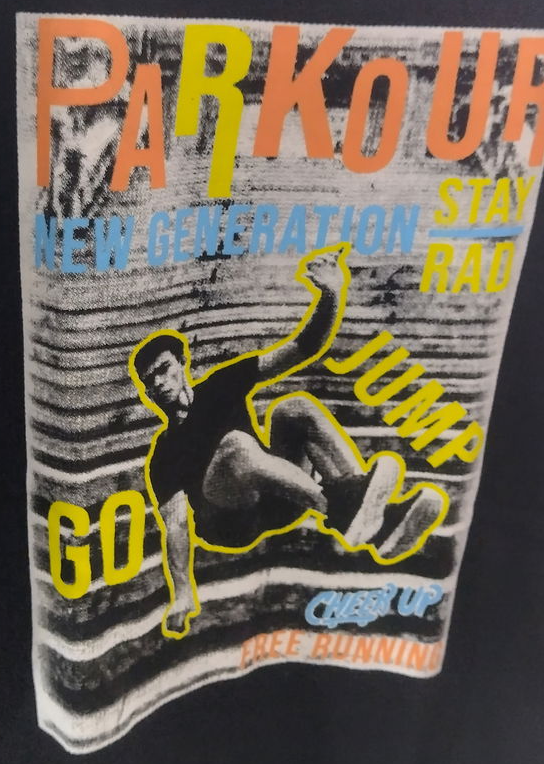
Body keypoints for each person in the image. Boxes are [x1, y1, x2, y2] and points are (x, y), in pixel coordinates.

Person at [130, 245, 448, 638]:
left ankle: (372, 516)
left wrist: (332, 293)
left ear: (182, 364)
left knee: (293, 408)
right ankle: (345, 507)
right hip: (231, 521)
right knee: (235, 447)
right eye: (150, 382)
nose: (159, 384)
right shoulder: (163, 452)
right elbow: (176, 524)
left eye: (163, 370)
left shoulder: (222, 383)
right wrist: (181, 593)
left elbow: (303, 348)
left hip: (280, 495)